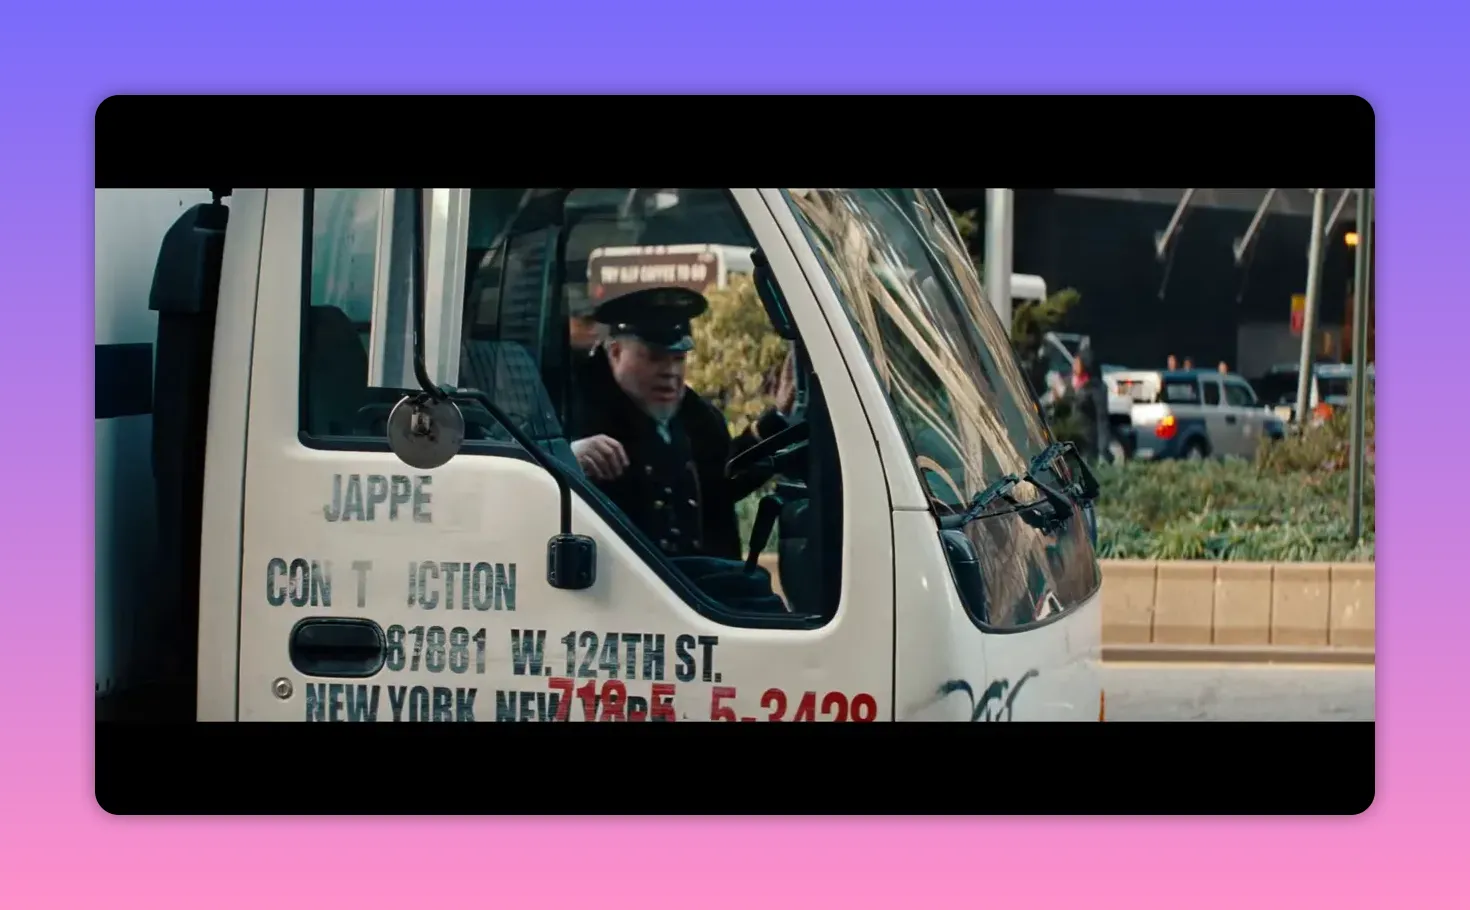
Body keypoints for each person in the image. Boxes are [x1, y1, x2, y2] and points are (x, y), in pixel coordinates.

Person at [567, 286, 796, 562]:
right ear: (615, 353)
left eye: (678, 359)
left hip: (698, 584)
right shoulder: (574, 410)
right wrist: (569, 459)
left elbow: (720, 482)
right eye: (654, 358)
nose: (670, 372)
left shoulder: (697, 418)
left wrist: (777, 419)